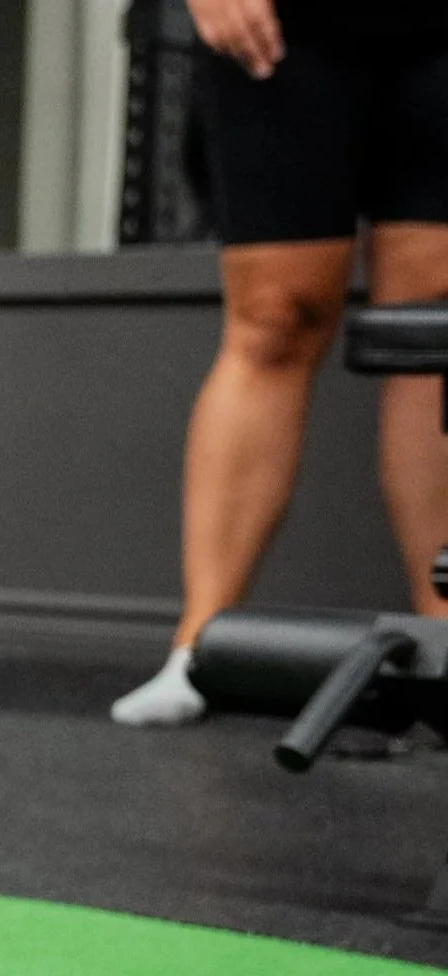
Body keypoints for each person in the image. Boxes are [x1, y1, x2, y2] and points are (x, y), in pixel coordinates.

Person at [113, 0, 448, 727]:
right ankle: (200, 648)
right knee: (275, 315)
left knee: (430, 330)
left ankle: (446, 646)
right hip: (282, 25)